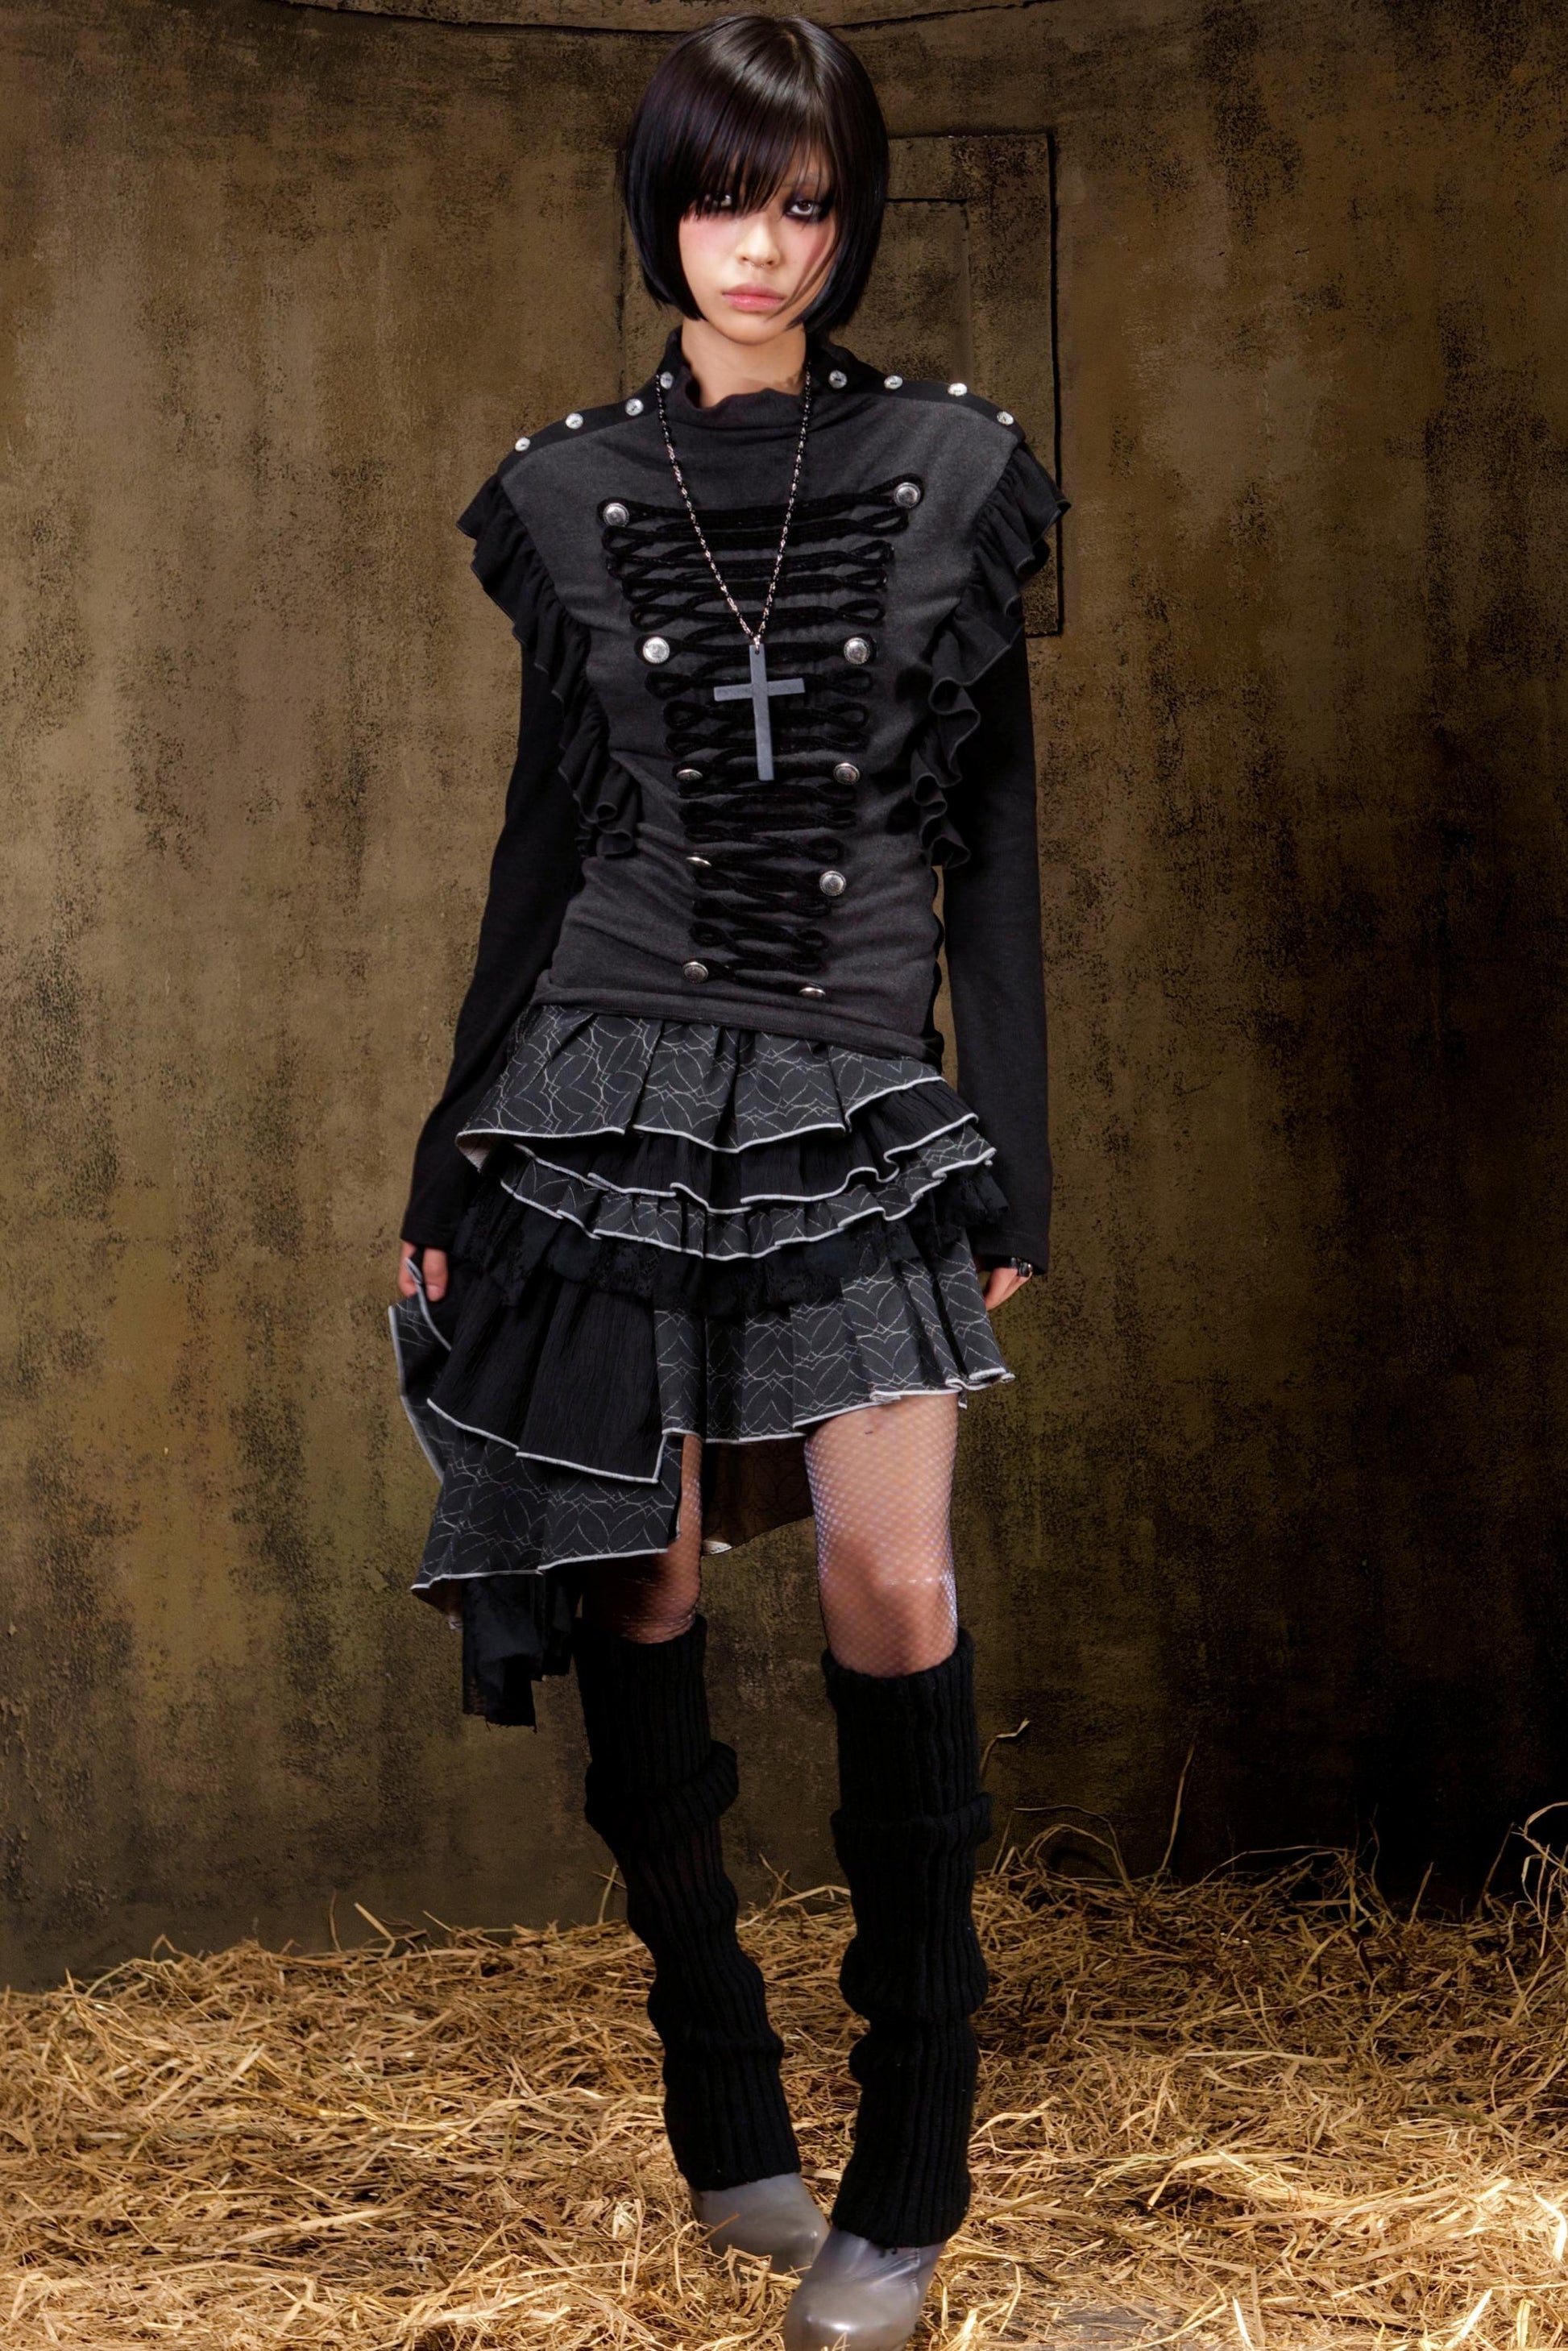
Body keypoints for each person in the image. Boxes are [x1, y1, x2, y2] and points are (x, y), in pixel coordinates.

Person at [388, 15, 1065, 2347]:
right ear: (657, 214)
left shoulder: (959, 467)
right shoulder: (567, 491)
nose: (761, 249)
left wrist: (1012, 1160)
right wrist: (446, 1150)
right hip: (597, 1082)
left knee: (892, 1579)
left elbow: (993, 848)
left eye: (802, 204)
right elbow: (539, 845)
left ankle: (911, 2163)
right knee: (643, 1587)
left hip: (857, 1094)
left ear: (847, 220)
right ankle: (727, 2108)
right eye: (719, 201)